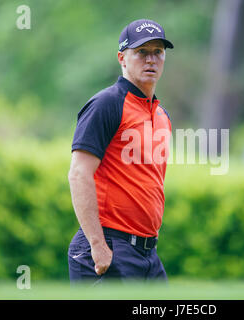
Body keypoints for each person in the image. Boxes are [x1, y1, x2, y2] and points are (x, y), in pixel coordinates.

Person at [67, 19, 174, 284]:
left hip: (148, 254)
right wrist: (97, 245)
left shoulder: (162, 115)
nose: (151, 59)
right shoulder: (107, 104)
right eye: (141, 52)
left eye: (158, 52)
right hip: (109, 247)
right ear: (122, 58)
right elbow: (79, 174)